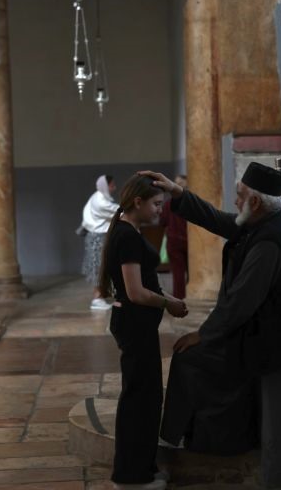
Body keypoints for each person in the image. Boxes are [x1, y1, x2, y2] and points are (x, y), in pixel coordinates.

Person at [142, 163, 281, 455]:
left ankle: (198, 441)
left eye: (239, 195)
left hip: (275, 340)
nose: (235, 202)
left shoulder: (270, 242)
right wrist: (178, 193)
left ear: (256, 202)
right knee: (196, 354)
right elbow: (217, 219)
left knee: (190, 358)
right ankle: (188, 433)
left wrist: (204, 334)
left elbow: (240, 301)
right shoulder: (265, 222)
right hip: (265, 328)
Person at [98, 174, 188, 490]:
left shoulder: (130, 230)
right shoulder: (127, 236)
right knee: (140, 400)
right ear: (138, 202)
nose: (159, 211)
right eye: (156, 204)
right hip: (135, 327)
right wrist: (170, 302)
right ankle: (131, 477)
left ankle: (143, 469)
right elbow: (135, 292)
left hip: (138, 325)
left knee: (147, 399)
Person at [81, 175, 119, 310]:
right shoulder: (100, 200)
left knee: (101, 266)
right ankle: (97, 298)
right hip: (98, 237)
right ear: (105, 186)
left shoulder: (98, 197)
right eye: (112, 185)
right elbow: (116, 211)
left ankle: (102, 294)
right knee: (98, 267)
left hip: (97, 236)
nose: (114, 187)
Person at [160, 174, 188, 299]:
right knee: (192, 270)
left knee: (178, 272)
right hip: (190, 241)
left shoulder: (168, 204)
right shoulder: (191, 203)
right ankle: (191, 293)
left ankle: (179, 297)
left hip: (173, 240)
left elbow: (162, 222)